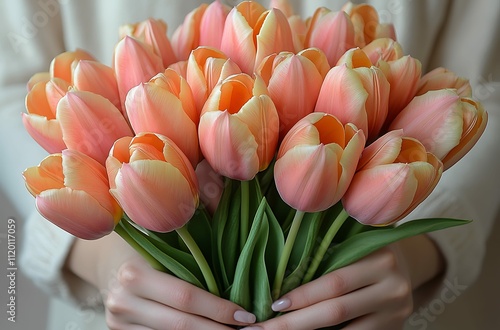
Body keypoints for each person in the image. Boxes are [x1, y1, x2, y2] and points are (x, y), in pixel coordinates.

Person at [0, 0, 498, 329]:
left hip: (385, 306)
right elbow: (9, 85)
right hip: (134, 310)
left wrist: (421, 252)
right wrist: (103, 260)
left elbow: (487, 88)